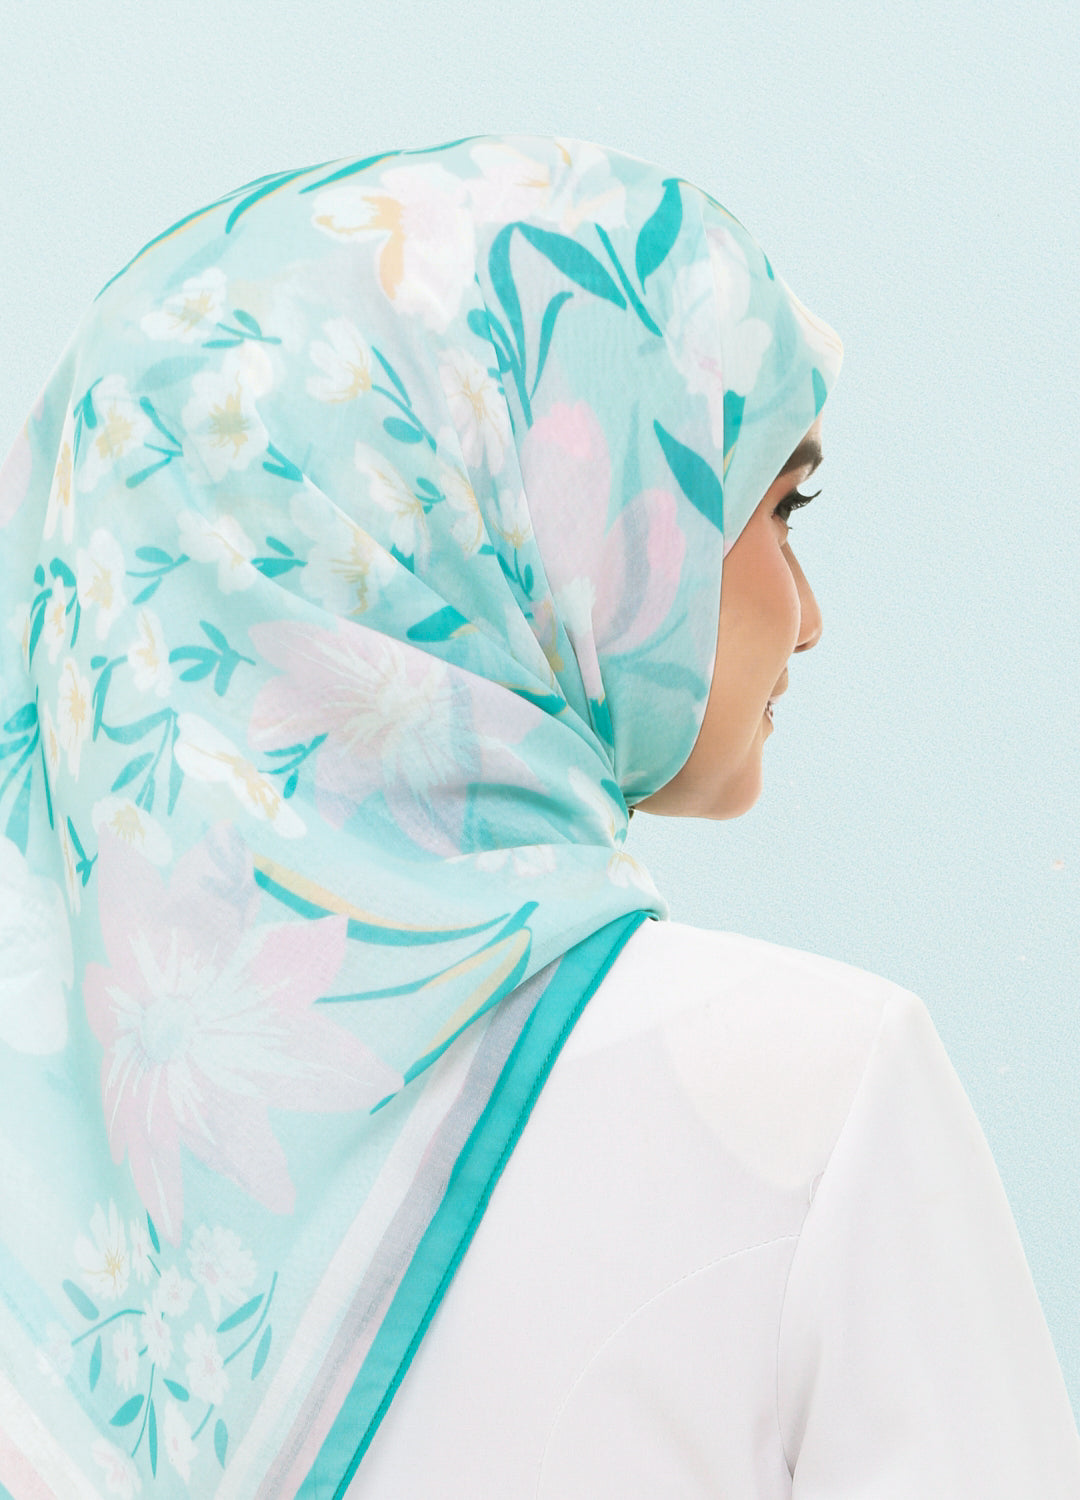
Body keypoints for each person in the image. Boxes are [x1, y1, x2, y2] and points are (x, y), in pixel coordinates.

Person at [0, 134, 1075, 1499]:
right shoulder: (814, 1088)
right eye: (779, 508)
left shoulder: (38, 1187)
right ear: (552, 518)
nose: (809, 620)